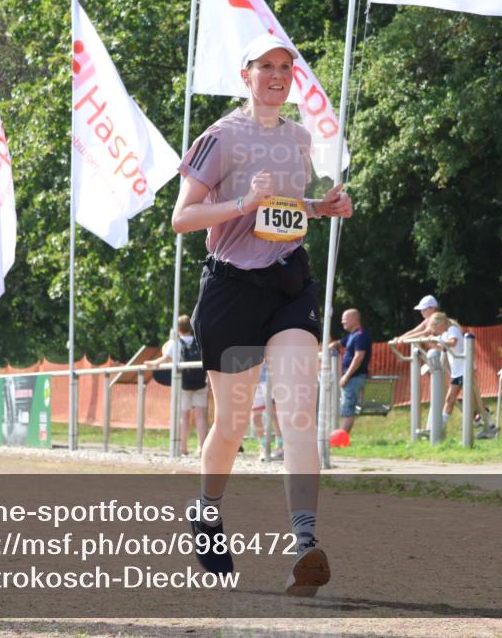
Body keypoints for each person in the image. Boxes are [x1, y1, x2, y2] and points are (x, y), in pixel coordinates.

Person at [171, 33, 352, 596]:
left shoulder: (299, 139)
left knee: (299, 412)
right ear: (246, 75)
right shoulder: (219, 137)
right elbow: (183, 218)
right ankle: (206, 511)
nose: (278, 75)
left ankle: (306, 546)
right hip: (231, 290)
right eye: (267, 66)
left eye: (287, 66)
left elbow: (287, 211)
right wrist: (242, 204)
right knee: (230, 424)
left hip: (289, 286)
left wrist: (324, 207)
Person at [427, 312, 496, 438]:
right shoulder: (444, 333)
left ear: (441, 324)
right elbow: (445, 348)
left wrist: (440, 342)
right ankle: (437, 430)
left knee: (472, 402)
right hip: (457, 373)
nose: (434, 331)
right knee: (450, 400)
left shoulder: (452, 329)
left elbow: (453, 342)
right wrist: (433, 344)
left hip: (464, 371)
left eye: (434, 328)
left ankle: (488, 424)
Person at [147, 315, 209, 456]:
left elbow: (164, 358)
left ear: (177, 328)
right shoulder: (199, 341)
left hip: (184, 383)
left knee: (184, 417)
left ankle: (183, 447)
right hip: (201, 382)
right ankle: (202, 447)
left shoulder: (175, 343)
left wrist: (151, 363)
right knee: (200, 416)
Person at [328, 308, 372, 434]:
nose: (342, 322)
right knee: (346, 407)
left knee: (348, 409)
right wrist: (331, 345)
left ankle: (341, 439)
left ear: (354, 319)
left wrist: (346, 376)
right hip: (353, 377)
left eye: (345, 319)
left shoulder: (360, 335)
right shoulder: (352, 335)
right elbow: (340, 343)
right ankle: (341, 436)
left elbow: (359, 357)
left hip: (354, 377)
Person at [250, 362, 283, 461]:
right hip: (250, 377)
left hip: (267, 374)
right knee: (255, 416)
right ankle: (264, 446)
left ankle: (280, 446)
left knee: (274, 413)